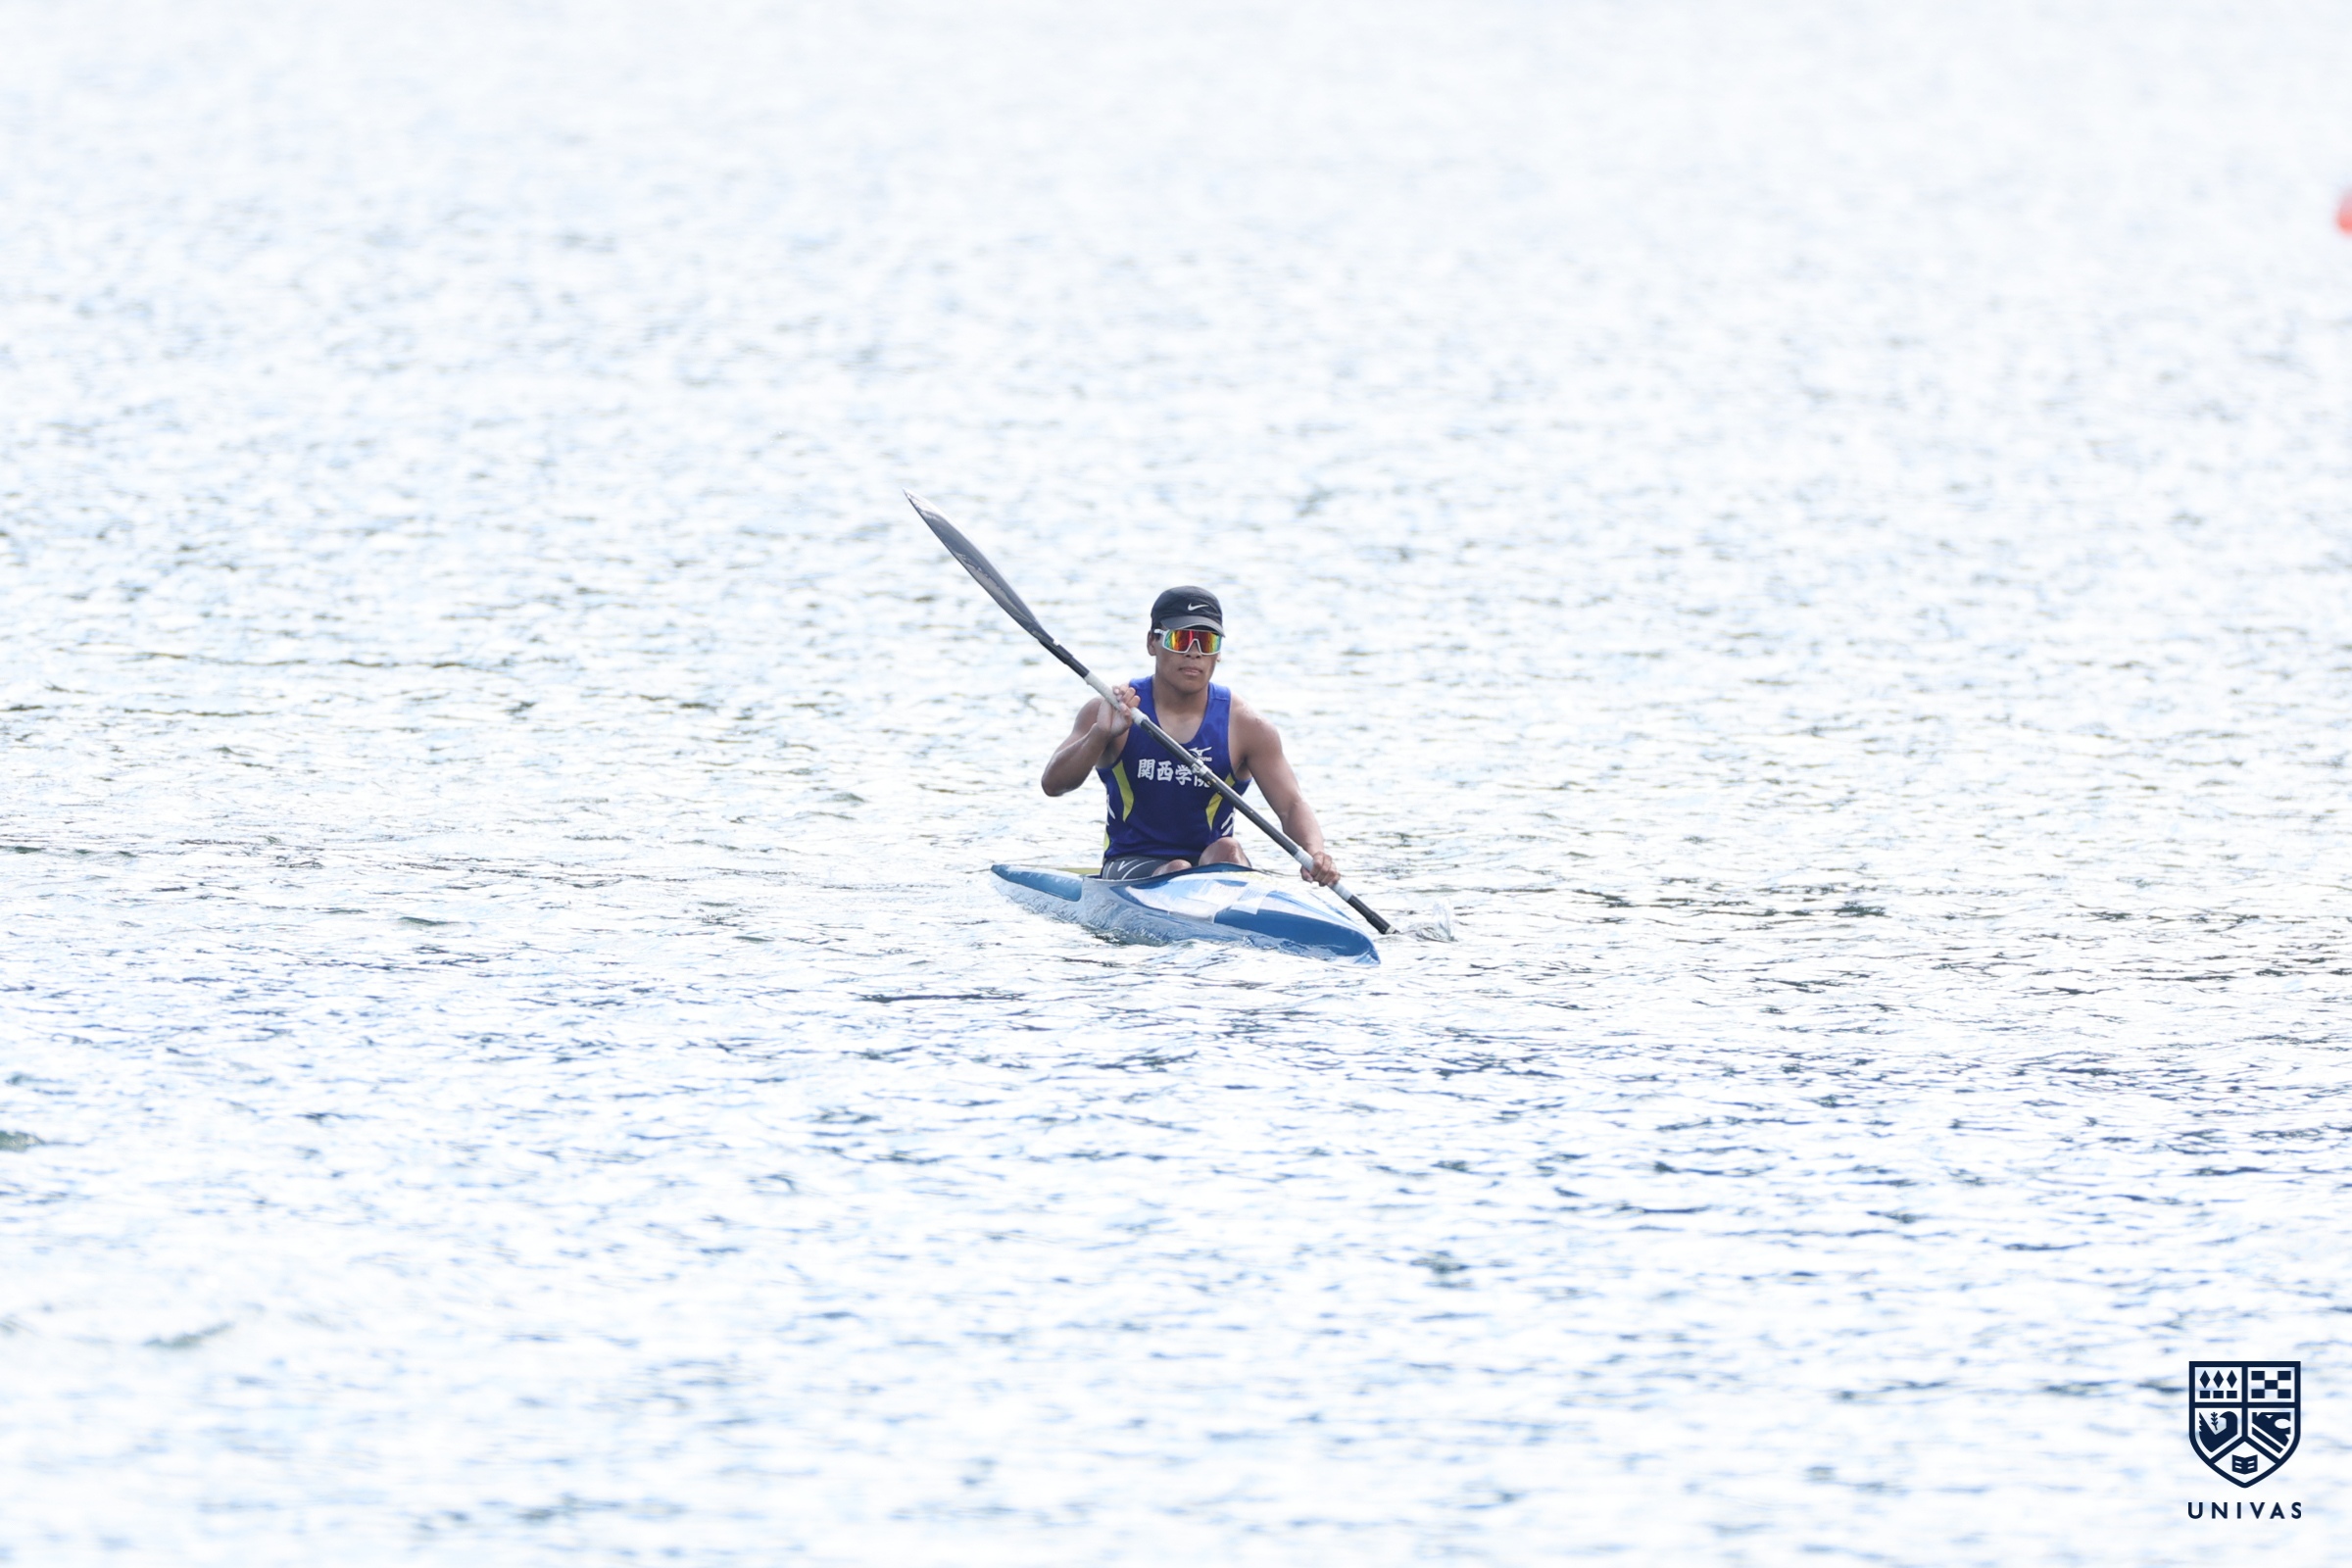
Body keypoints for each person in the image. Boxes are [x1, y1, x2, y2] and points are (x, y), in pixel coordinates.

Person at [1041, 586, 1343, 886]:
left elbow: (1291, 805)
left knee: (1229, 848)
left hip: (1213, 863)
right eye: (1181, 639)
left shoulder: (1247, 727)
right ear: (1152, 642)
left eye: (1207, 642)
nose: (1194, 652)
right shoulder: (1110, 710)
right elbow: (1053, 785)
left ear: (1218, 653)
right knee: (1177, 868)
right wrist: (1099, 736)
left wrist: (1315, 853)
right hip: (1130, 863)